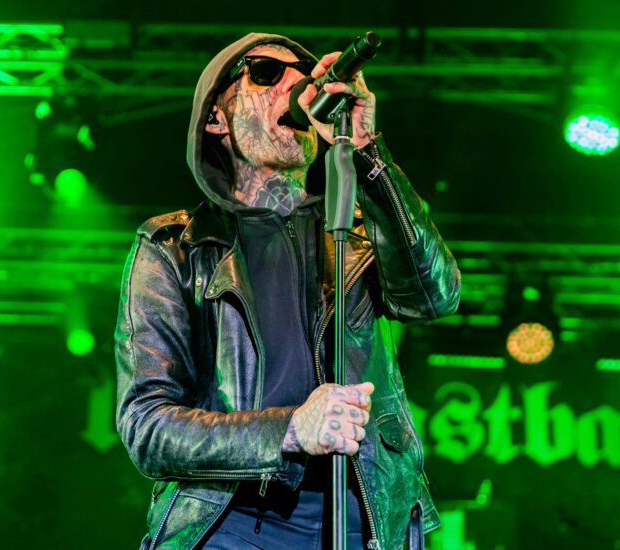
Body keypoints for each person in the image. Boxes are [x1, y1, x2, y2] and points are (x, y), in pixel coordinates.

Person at [115, 32, 461, 550]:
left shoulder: (358, 232)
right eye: (265, 73)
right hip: (228, 524)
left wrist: (367, 150)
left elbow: (435, 296)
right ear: (216, 118)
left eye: (305, 76)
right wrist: (291, 429)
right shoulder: (176, 248)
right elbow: (147, 426)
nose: (296, 86)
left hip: (363, 522)